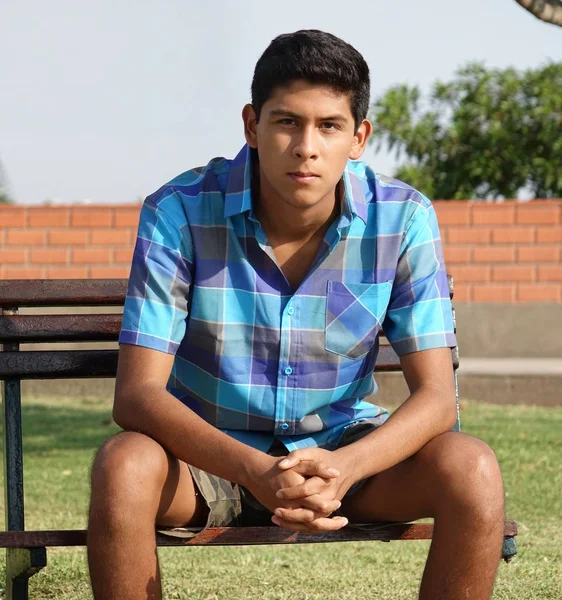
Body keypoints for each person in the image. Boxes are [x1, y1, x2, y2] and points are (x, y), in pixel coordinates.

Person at [87, 29, 505, 600]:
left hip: (344, 456)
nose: (306, 146)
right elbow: (136, 395)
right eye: (287, 121)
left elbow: (436, 398)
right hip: (207, 458)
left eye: (329, 126)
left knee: (472, 467)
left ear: (358, 138)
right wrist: (256, 471)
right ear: (251, 125)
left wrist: (346, 467)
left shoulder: (402, 219)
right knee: (123, 466)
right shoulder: (179, 212)